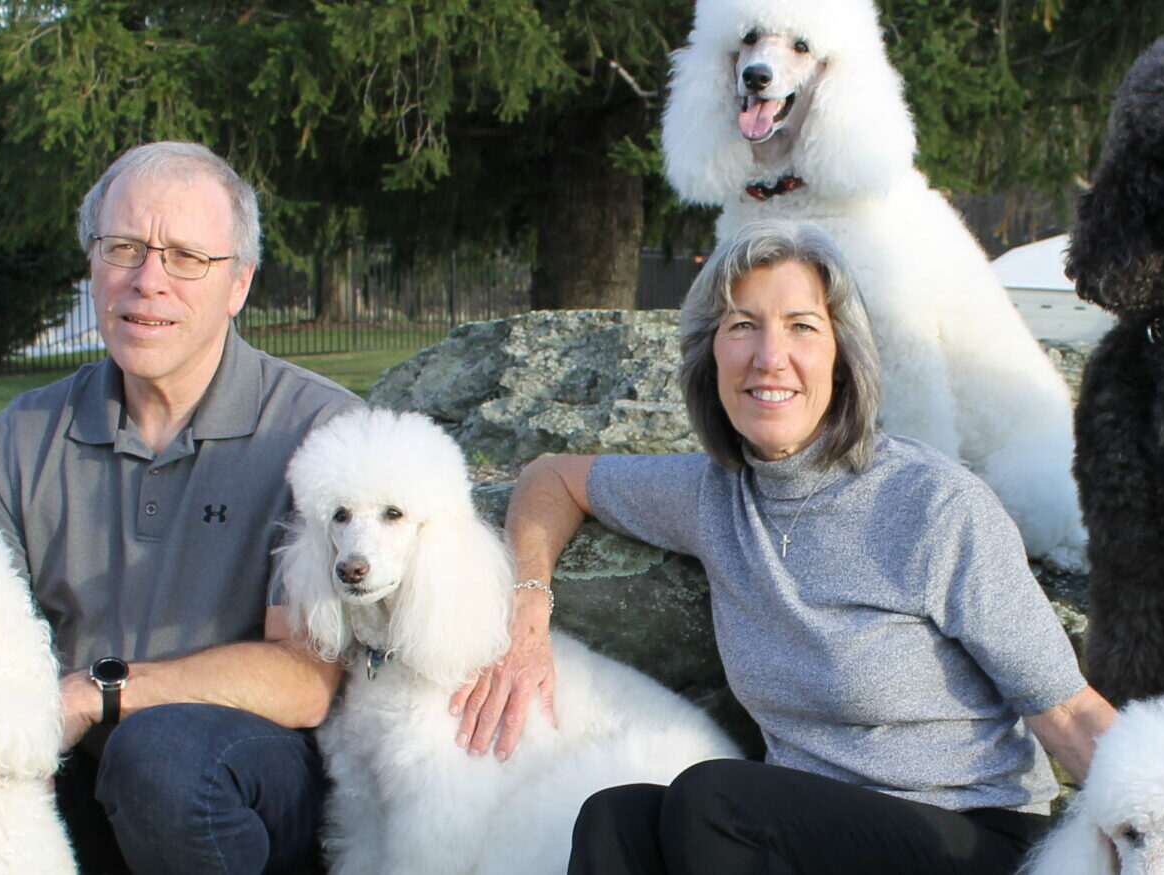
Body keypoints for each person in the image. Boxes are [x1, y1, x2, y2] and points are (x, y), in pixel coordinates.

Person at [454, 219, 1121, 874]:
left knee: (712, 801)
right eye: (743, 324)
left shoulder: (935, 505)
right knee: (614, 817)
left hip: (974, 836)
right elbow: (552, 477)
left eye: (802, 325)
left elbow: (1069, 711)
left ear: (842, 352)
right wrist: (528, 615)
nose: (769, 356)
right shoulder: (711, 495)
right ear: (710, 352)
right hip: (815, 833)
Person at [0, 141, 361, 875]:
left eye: (186, 257)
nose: (148, 281)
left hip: (239, 782)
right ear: (93, 263)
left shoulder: (320, 432)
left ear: (239, 283)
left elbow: (305, 680)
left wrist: (97, 694)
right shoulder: (22, 435)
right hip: (58, 767)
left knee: (158, 756)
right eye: (124, 247)